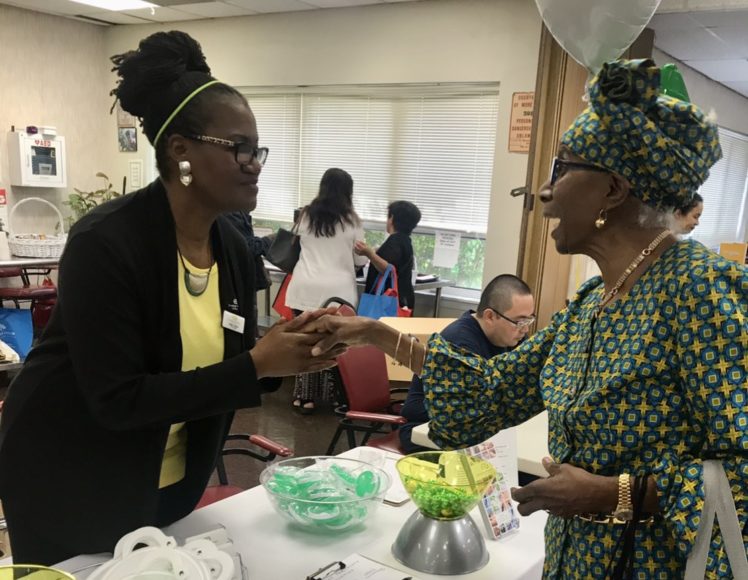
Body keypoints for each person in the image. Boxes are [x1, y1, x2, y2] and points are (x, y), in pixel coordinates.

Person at [303, 59, 746, 577]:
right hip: (575, 557)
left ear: (612, 189)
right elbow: (491, 389)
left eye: (562, 167)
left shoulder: (701, 291)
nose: (543, 190)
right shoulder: (593, 301)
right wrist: (374, 333)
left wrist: (612, 493)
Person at [0, 31, 339, 565]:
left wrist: (287, 349)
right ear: (180, 151)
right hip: (70, 472)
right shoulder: (105, 243)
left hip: (168, 475)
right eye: (239, 148)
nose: (255, 163)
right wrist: (254, 364)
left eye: (258, 149)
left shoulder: (229, 242)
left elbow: (230, 357)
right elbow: (117, 399)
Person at [398, 274, 534, 453]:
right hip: (426, 432)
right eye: (519, 321)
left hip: (474, 431)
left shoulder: (511, 338)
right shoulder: (459, 345)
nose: (525, 330)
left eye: (529, 320)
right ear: (490, 316)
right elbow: (415, 409)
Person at [285, 168, 368, 412]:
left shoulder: (305, 215)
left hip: (304, 287)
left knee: (303, 341)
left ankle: (302, 397)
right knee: (331, 342)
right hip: (337, 291)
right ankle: (328, 396)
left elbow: (296, 246)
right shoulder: (352, 220)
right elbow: (360, 261)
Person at [356, 200, 421, 311]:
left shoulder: (396, 240)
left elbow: (389, 269)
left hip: (388, 301)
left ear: (392, 218)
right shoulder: (404, 240)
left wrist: (369, 254)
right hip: (402, 297)